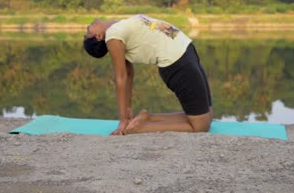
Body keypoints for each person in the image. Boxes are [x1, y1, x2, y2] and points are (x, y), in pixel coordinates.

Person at [84, 14, 213, 135]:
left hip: (186, 51)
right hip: (177, 61)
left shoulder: (119, 27)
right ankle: (140, 128)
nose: (87, 27)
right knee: (201, 126)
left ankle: (149, 118)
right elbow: (122, 77)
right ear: (99, 36)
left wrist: (129, 109)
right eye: (88, 33)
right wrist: (123, 119)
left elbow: (129, 73)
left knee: (208, 115)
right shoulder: (112, 37)